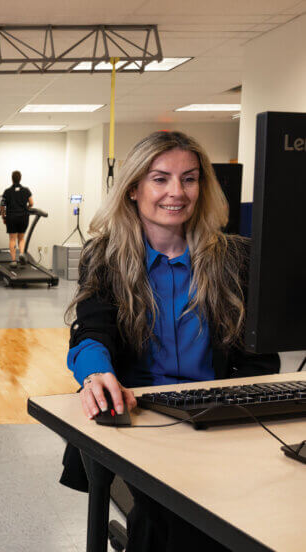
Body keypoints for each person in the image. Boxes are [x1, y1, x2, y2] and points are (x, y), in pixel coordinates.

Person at [61, 130, 279, 551]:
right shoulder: (104, 258)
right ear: (133, 189)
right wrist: (95, 373)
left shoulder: (237, 258)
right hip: (141, 417)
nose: (176, 192)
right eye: (160, 179)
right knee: (174, 518)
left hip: (216, 416)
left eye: (189, 179)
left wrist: (233, 406)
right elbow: (92, 331)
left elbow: (259, 357)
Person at [1, 170, 34, 268]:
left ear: (12, 179)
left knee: (12, 239)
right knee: (21, 238)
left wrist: (3, 217)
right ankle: (21, 253)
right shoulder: (26, 190)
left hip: (11, 217)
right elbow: (31, 203)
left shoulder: (7, 191)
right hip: (23, 217)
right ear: (20, 178)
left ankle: (13, 260)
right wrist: (27, 208)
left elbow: (2, 206)